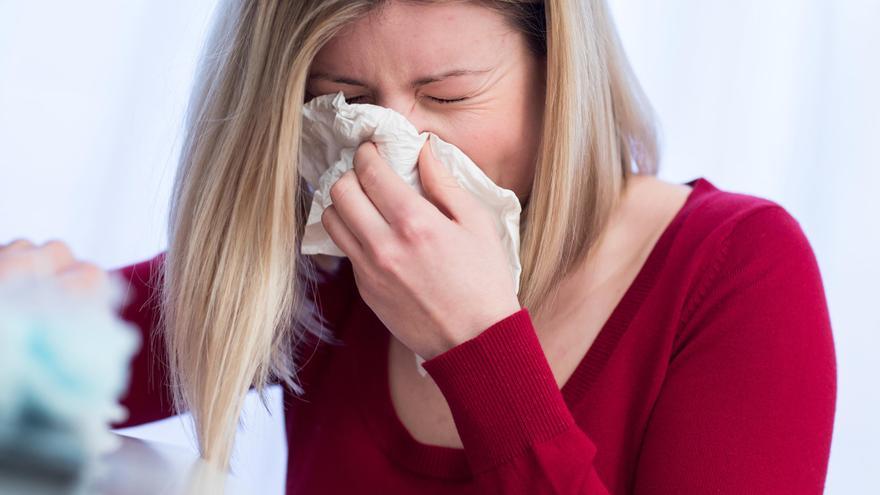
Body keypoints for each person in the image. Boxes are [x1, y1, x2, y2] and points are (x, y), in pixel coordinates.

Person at [0, 0, 836, 493]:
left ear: (558, 71)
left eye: (449, 94)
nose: (395, 147)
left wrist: (476, 345)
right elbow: (34, 379)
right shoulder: (328, 255)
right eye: (346, 97)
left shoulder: (734, 271)